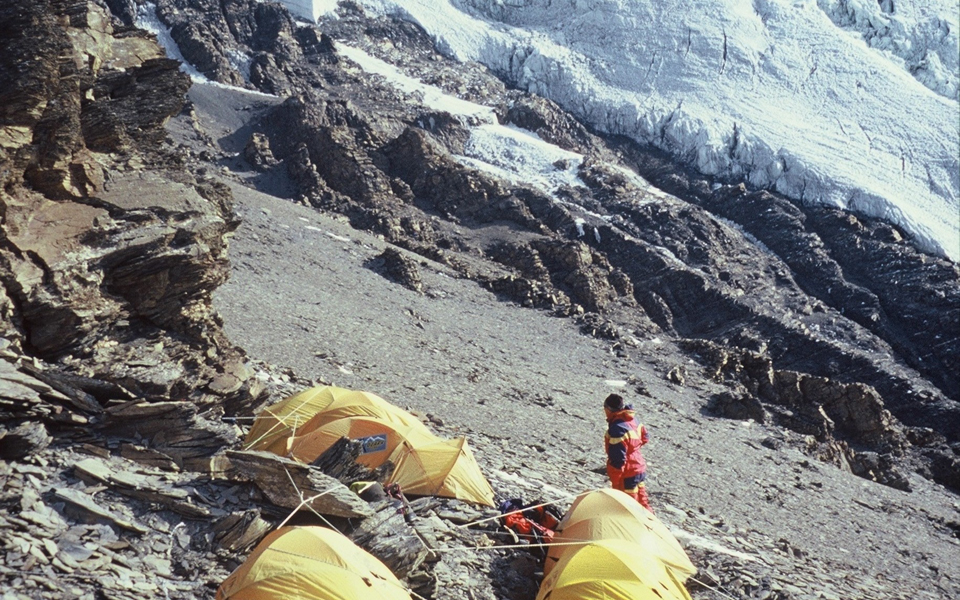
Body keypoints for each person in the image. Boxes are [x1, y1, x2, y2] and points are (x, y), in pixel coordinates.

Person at [603, 393, 652, 511]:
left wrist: (615, 483)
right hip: (639, 468)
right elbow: (645, 437)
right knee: (643, 503)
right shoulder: (633, 419)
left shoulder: (617, 428)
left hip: (627, 473)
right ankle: (653, 526)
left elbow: (618, 461)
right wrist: (633, 449)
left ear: (609, 409)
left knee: (628, 508)